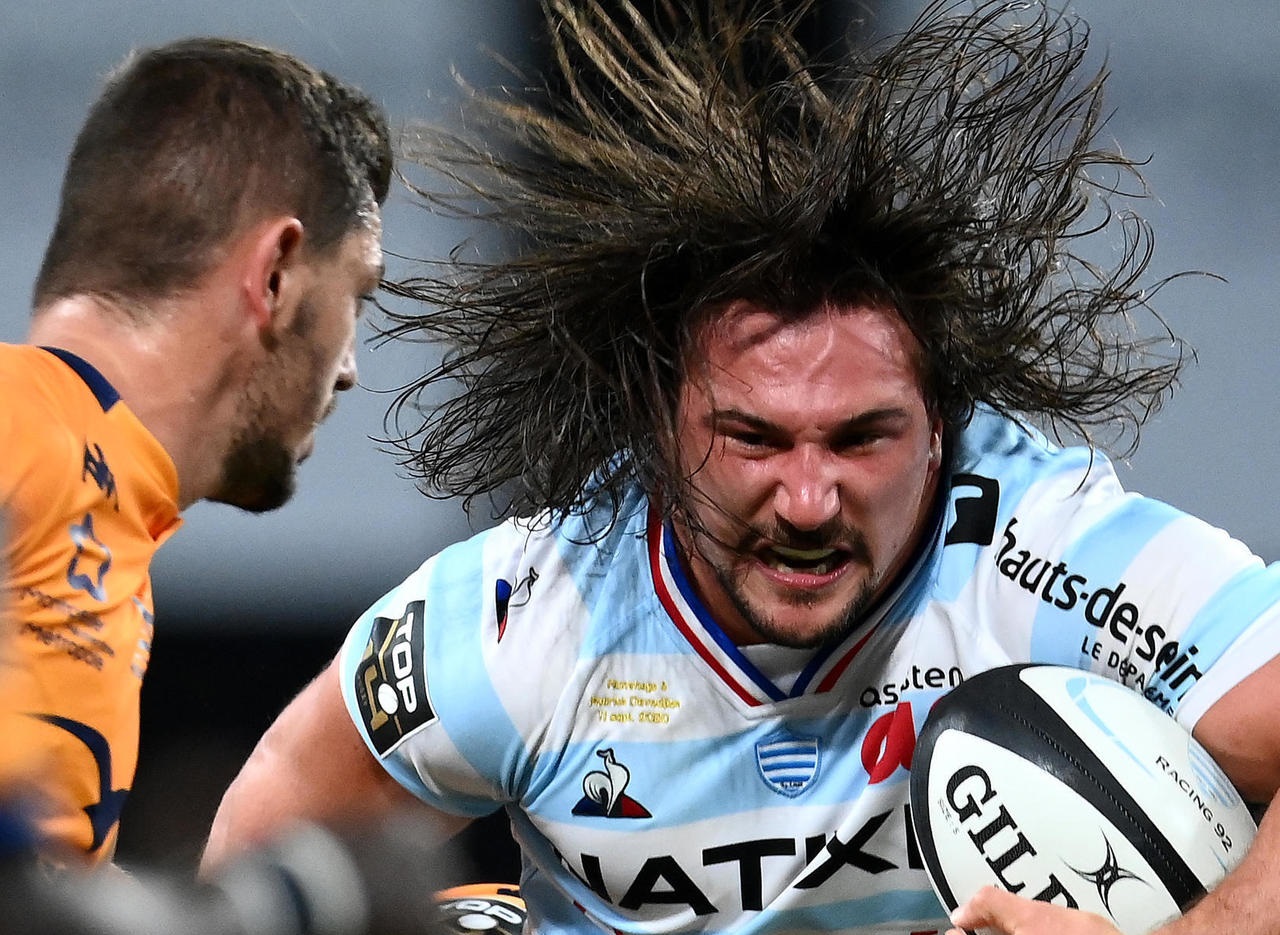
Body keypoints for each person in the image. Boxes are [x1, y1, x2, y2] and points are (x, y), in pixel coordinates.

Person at [200, 2, 1280, 933]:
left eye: (861, 437)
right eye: (753, 437)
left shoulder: (1045, 550)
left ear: (943, 429)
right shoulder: (522, 618)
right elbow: (252, 874)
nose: (807, 500)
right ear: (657, 420)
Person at [0, 37, 391, 869]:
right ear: (276, 274)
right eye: (357, 295)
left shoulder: (91, 493)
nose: (349, 369)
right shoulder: (23, 431)